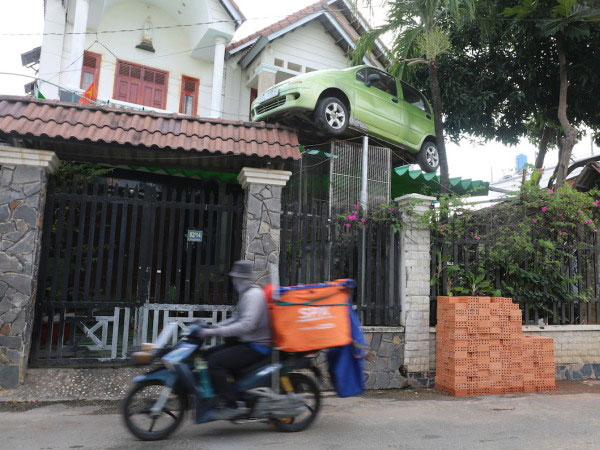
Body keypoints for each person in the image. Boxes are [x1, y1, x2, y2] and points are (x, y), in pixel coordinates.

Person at [201, 260, 271, 419]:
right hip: (246, 342)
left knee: (215, 363)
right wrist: (213, 327)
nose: (235, 281)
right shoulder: (246, 294)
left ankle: (232, 404)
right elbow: (236, 318)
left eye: (238, 278)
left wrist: (217, 331)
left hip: (256, 346)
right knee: (207, 355)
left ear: (246, 278)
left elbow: (247, 325)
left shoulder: (253, 295)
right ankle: (227, 393)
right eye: (234, 277)